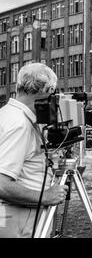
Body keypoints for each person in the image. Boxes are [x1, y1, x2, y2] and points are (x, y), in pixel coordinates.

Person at [0, 63, 69, 238]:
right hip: (18, 219)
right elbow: (2, 184)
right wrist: (45, 196)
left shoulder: (7, 114)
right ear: (45, 90)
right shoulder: (20, 125)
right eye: (52, 92)